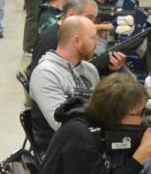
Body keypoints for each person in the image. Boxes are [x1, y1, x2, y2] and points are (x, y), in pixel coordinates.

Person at [29, 15, 101, 151]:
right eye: (93, 38)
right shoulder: (46, 74)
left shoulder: (89, 69)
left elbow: (99, 107)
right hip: (58, 152)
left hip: (88, 143)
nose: (97, 43)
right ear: (77, 41)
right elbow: (61, 125)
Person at [29, 0, 121, 78]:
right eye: (89, 17)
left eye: (93, 19)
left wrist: (110, 67)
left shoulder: (69, 34)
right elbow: (40, 76)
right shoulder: (50, 39)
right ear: (71, 14)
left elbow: (82, 67)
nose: (91, 23)